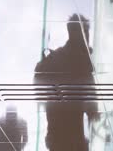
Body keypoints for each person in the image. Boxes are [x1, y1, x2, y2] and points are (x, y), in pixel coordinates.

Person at [34, 14, 97, 151]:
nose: (87, 37)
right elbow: (92, 105)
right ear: (75, 33)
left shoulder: (55, 58)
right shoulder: (81, 63)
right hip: (70, 136)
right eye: (85, 32)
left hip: (59, 134)